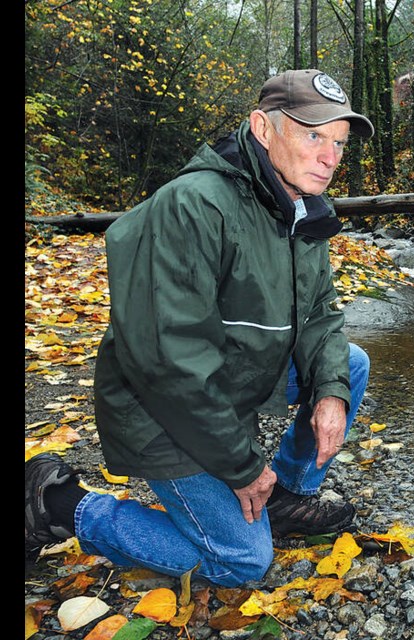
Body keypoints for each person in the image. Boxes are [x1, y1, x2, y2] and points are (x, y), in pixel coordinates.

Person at [25, 69, 374, 587]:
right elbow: (170, 364)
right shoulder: (192, 205)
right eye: (314, 135)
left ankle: (284, 499)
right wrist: (243, 465)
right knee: (242, 564)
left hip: (226, 383)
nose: (330, 157)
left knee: (347, 366)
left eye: (339, 143)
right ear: (262, 127)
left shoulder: (300, 210)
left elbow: (320, 313)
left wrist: (328, 393)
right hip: (160, 409)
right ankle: (60, 504)